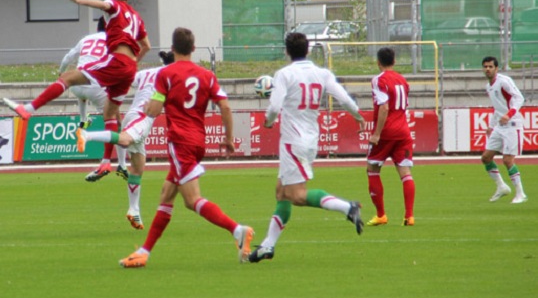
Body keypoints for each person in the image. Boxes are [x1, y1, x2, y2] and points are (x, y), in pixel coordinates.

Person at [118, 27, 254, 268]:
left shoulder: (166, 74)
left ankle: (238, 230)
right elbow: (225, 107)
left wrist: (150, 105)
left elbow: (154, 109)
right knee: (166, 194)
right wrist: (229, 138)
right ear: (193, 49)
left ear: (172, 49)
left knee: (192, 201)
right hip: (198, 142)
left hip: (180, 142)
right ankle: (143, 252)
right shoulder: (207, 75)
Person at [3, 0, 151, 182]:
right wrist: (133, 62)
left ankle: (28, 109)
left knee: (69, 77)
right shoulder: (136, 16)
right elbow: (147, 46)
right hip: (129, 68)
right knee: (110, 113)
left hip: (117, 61)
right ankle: (107, 162)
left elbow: (102, 5)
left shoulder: (114, 5)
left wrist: (78, 1)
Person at [248, 32, 366, 264]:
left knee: (297, 196)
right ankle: (267, 246)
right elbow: (344, 99)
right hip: (309, 138)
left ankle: (347, 207)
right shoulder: (321, 73)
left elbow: (274, 106)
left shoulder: (284, 74)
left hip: (293, 141)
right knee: (281, 192)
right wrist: (358, 116)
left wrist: (269, 122)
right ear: (308, 50)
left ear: (287, 52)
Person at [75, 50, 175, 230]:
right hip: (143, 116)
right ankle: (87, 135)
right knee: (125, 140)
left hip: (133, 114)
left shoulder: (147, 73)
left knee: (138, 167)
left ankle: (134, 210)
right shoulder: (171, 76)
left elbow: (125, 80)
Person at [56, 16, 129, 181]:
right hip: (95, 85)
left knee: (82, 88)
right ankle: (109, 163)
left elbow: (68, 58)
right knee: (115, 121)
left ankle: (83, 120)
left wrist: (61, 73)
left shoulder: (86, 39)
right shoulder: (113, 41)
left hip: (76, 84)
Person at [365, 47, 416, 227]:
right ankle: (409, 216)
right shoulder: (402, 80)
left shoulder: (379, 80)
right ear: (394, 61)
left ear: (378, 62)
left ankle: (381, 215)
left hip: (387, 132)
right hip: (404, 131)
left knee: (372, 168)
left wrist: (376, 133)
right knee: (405, 173)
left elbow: (384, 107)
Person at [481, 56, 527, 204]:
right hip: (500, 126)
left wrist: (509, 114)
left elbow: (519, 98)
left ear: (496, 68)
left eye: (490, 66)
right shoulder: (489, 86)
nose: (487, 69)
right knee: (486, 158)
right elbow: (497, 108)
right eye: (485, 66)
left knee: (507, 160)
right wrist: (491, 125)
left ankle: (521, 193)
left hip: (513, 125)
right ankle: (501, 186)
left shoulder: (504, 81)